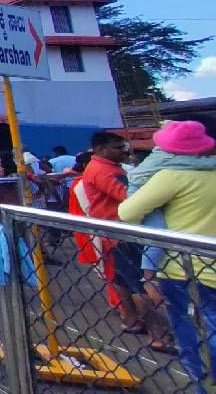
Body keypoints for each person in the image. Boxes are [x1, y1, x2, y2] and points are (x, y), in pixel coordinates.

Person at [120, 120, 216, 387]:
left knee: (190, 331)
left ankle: (204, 383)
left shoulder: (170, 176)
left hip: (182, 269)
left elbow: (126, 213)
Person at [80, 130, 172, 351]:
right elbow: (130, 197)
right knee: (138, 282)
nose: (124, 151)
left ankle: (131, 321)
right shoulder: (104, 172)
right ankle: (157, 335)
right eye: (117, 147)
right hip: (124, 232)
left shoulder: (106, 168)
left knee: (123, 279)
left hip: (116, 231)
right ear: (101, 149)